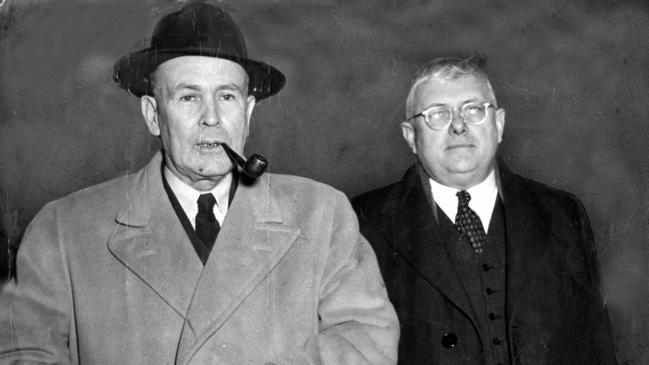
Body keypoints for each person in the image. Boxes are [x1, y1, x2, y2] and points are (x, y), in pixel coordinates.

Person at [0, 3, 398, 364]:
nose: (212, 118)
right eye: (189, 97)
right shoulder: (64, 231)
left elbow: (366, 341)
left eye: (227, 96)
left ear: (249, 110)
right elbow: (22, 353)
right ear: (153, 115)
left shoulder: (322, 215)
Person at [352, 56, 617, 364]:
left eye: (474, 109)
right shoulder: (361, 223)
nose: (459, 126)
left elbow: (596, 346)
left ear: (499, 124)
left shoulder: (562, 213)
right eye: (438, 115)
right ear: (411, 137)